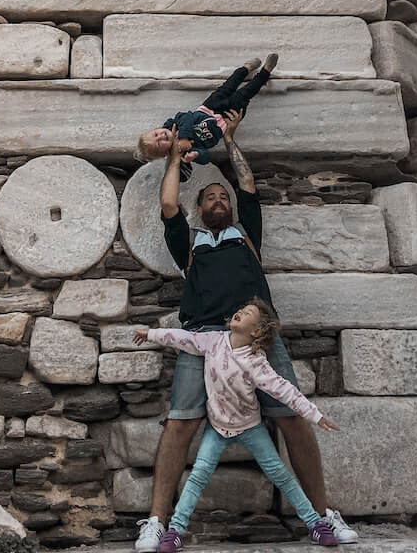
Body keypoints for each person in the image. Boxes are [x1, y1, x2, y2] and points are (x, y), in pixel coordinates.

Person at [133, 112, 358, 550]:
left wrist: (231, 140)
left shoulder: (246, 234)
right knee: (179, 423)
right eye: (210, 197)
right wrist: (174, 157)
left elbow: (247, 184)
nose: (219, 200)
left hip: (258, 338)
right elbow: (169, 206)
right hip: (202, 339)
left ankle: (323, 515)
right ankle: (157, 522)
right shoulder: (189, 244)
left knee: (292, 418)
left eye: (224, 196)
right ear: (200, 210)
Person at [134, 298, 341, 549]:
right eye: (241, 309)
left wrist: (316, 415)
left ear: (256, 331)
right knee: (198, 475)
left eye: (248, 313)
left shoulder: (256, 361)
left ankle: (316, 524)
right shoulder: (213, 341)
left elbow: (284, 390)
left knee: (280, 474)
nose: (240, 312)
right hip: (217, 429)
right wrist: (151, 334)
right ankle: (175, 530)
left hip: (251, 428)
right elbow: (183, 338)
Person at [136, 54, 278, 180]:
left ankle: (246, 68)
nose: (161, 136)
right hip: (225, 121)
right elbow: (206, 156)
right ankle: (266, 71)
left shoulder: (171, 125)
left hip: (210, 107)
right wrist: (196, 155)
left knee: (229, 85)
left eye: (156, 134)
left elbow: (186, 116)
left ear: (156, 129)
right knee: (245, 94)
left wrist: (184, 137)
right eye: (159, 143)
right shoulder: (184, 153)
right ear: (163, 154)